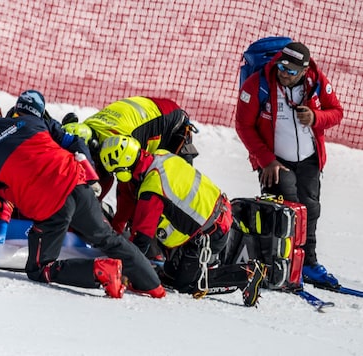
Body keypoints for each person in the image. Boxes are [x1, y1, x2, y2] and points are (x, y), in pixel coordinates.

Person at [0, 97, 165, 299]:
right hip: (77, 183)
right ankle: (153, 285)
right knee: (108, 238)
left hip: (51, 206)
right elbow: (70, 140)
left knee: (39, 269)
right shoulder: (31, 122)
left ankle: (99, 270)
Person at [99, 135, 265, 306]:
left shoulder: (152, 189)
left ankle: (246, 275)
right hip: (220, 212)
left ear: (124, 170)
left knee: (187, 285)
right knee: (169, 277)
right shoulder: (161, 155)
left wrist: (122, 270)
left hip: (211, 234)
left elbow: (142, 239)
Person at [235, 41, 344, 288]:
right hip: (275, 162)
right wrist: (266, 160)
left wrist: (317, 118)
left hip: (308, 159)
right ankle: (275, 266)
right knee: (285, 212)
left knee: (310, 211)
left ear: (304, 70)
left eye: (292, 71)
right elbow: (243, 125)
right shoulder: (258, 84)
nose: (284, 73)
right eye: (282, 67)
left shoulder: (316, 83)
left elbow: (336, 112)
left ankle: (308, 264)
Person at [65, 96, 199, 200]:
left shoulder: (122, 140)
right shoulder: (88, 127)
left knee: (166, 188)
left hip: (172, 124)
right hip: (150, 108)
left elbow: (125, 186)